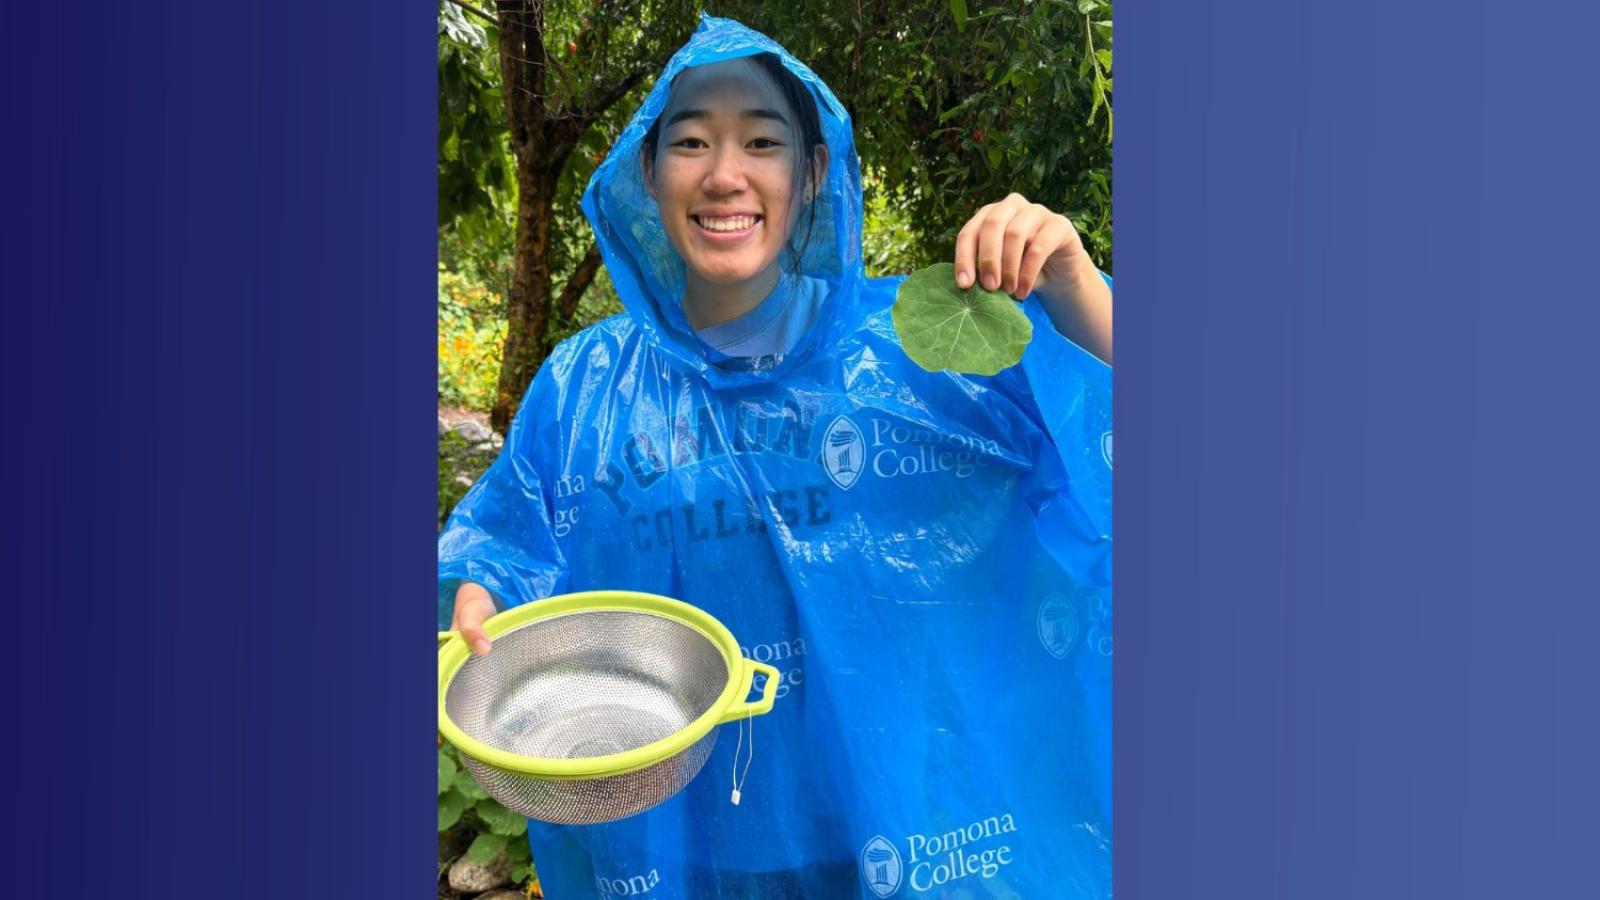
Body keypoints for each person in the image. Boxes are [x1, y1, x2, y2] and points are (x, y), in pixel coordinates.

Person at [440, 14, 1111, 899]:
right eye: (689, 142)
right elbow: (507, 537)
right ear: (648, 172)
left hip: (897, 829)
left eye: (762, 139)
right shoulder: (585, 386)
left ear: (813, 170)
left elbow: (1117, 444)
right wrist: (481, 587)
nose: (725, 174)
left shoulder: (915, 354)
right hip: (692, 841)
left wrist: (1074, 286)